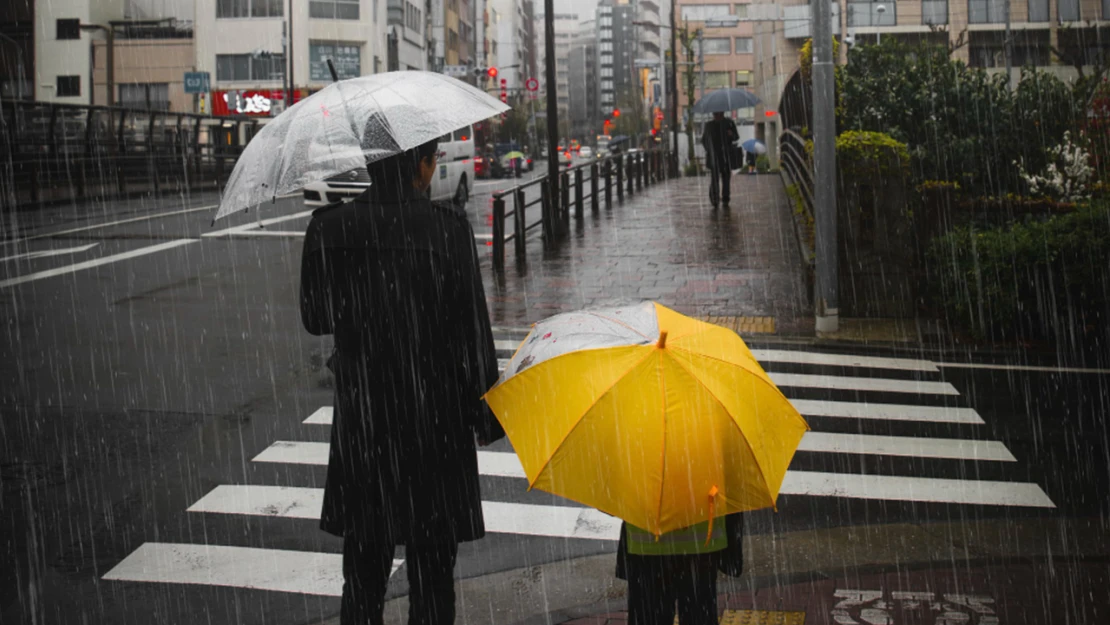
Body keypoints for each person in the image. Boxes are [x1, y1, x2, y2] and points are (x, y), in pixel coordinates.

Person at [299, 135, 505, 625]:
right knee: (433, 575)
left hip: (366, 420)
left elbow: (315, 317)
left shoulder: (330, 227)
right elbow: (472, 331)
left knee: (364, 571)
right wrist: (485, 412)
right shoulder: (447, 231)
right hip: (435, 417)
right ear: (423, 163)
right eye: (432, 160)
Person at [616, 514, 745, 625]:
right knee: (699, 615)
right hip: (701, 543)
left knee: (649, 615)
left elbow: (612, 499)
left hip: (646, 545)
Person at [700, 111, 739, 208]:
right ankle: (715, 198)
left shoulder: (729, 123)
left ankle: (725, 197)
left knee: (726, 178)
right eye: (716, 114)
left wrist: (731, 135)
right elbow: (704, 140)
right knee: (715, 178)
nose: (717, 116)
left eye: (719, 114)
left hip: (726, 156)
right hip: (714, 156)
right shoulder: (709, 125)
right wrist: (710, 150)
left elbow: (736, 137)